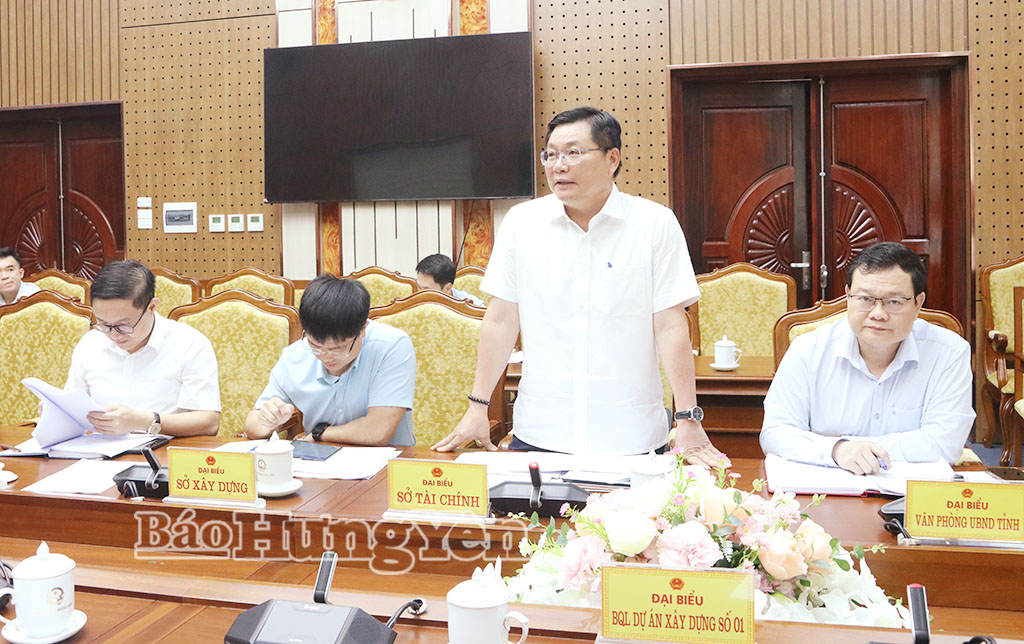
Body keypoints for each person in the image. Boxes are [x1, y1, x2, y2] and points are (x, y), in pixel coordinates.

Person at [432, 106, 725, 465]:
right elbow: (500, 320)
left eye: (573, 153)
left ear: (612, 159)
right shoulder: (522, 223)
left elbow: (670, 325)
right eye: (551, 155)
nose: (559, 165)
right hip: (540, 432)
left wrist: (688, 418)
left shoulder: (654, 224)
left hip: (630, 436)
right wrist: (478, 406)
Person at [760, 242, 975, 475]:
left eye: (894, 302)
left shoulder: (949, 353)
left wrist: (854, 449)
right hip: (826, 487)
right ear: (848, 297)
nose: (878, 314)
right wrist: (837, 450)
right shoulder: (808, 350)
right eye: (865, 299)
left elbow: (945, 443)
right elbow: (775, 432)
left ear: (918, 304)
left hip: (909, 489)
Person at [244, 274, 416, 446]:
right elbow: (252, 426)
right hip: (316, 459)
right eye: (315, 345)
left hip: (387, 459)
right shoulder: (296, 355)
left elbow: (378, 431)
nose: (326, 356)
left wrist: (321, 434)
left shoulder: (391, 346)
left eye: (337, 349)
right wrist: (268, 419)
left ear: (363, 329)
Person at [65, 260, 221, 436]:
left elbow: (209, 423)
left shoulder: (190, 344)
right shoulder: (90, 343)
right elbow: (73, 404)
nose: (114, 335)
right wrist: (57, 411)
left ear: (151, 307)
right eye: (103, 324)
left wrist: (144, 421)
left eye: (123, 325)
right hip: (99, 447)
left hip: (164, 448)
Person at [415, 253, 484, 307]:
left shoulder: (472, 306)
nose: (420, 295)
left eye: (426, 290)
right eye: (419, 287)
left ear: (447, 288)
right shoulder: (413, 303)